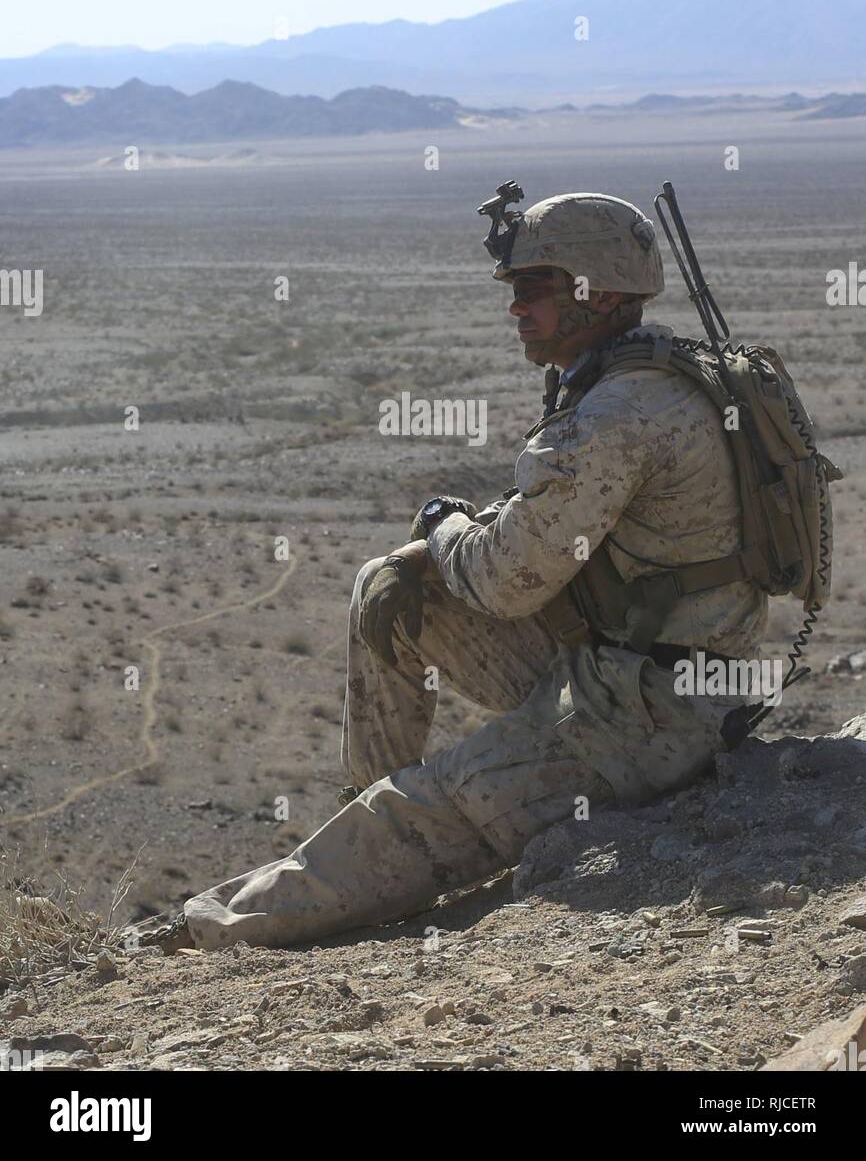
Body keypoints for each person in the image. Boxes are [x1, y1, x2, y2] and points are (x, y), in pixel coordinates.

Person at [153, 192, 767, 952]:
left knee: (425, 813)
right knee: (393, 592)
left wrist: (442, 524)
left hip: (652, 715)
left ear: (597, 292)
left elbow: (503, 580)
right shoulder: (657, 374)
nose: (516, 310)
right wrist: (438, 548)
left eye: (532, 290)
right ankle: (361, 806)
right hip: (633, 669)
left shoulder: (620, 415)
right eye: (514, 291)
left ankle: (208, 930)